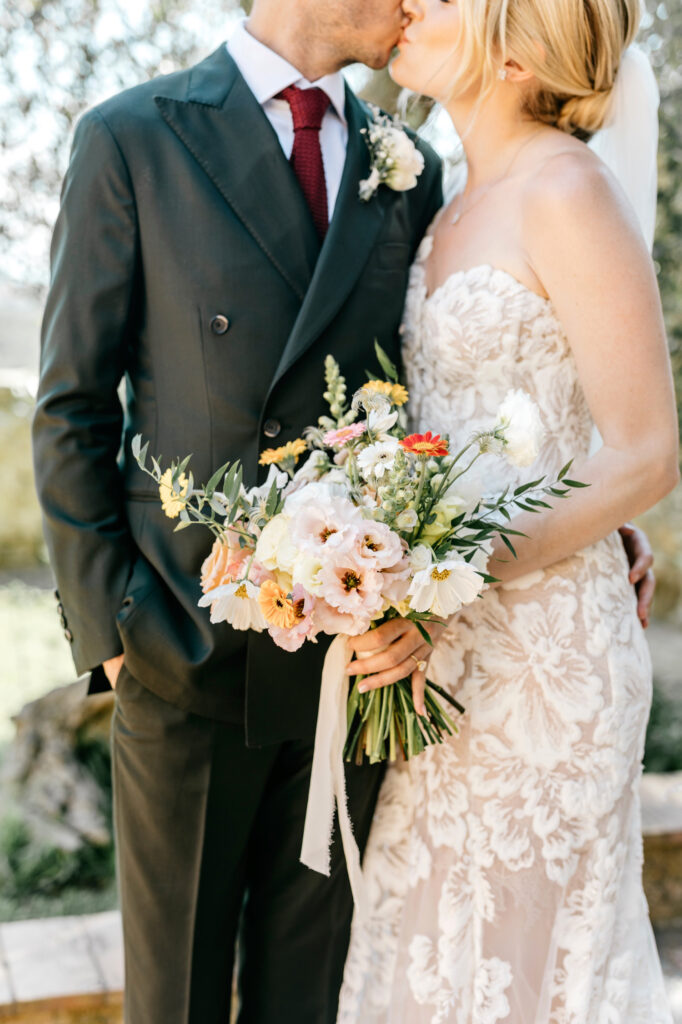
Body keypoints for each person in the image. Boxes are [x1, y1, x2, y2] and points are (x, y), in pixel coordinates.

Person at [31, 0, 656, 1021]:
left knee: (318, 996)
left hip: (363, 671)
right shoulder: (134, 135)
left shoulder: (409, 164)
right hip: (184, 652)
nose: (417, 1)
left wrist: (581, 513)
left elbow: (441, 395)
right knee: (174, 999)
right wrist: (113, 635)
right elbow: (70, 406)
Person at [338, 0, 679, 1021]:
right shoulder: (443, 201)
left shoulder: (568, 190)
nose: (409, 6)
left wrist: (454, 575)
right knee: (432, 961)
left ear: (518, 46)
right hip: (442, 659)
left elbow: (648, 449)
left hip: (542, 668)